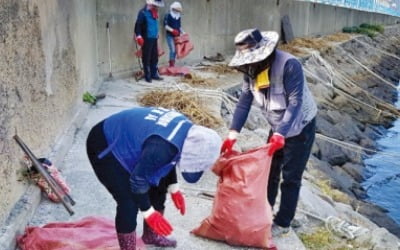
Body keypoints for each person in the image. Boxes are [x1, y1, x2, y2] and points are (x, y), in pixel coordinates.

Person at [221, 29, 318, 237]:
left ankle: (283, 223)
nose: (250, 65)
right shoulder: (250, 70)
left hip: (300, 126)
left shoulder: (289, 65)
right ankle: (263, 213)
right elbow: (245, 100)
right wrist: (232, 133)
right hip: (277, 127)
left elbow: (295, 102)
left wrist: (281, 133)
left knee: (291, 177)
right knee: (270, 172)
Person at [86, 107, 222, 250]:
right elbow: (138, 180)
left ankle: (150, 236)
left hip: (141, 141)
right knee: (128, 202)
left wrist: (173, 187)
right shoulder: (162, 146)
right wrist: (148, 212)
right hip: (105, 143)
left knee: (159, 188)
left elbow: (170, 158)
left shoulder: (187, 135)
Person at [134, 0, 165, 83]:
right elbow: (138, 25)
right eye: (155, 6)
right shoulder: (143, 13)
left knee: (154, 56)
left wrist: (157, 34)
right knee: (146, 57)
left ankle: (154, 73)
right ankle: (148, 75)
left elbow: (154, 24)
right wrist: (139, 36)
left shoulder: (154, 13)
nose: (157, 7)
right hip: (146, 38)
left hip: (154, 38)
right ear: (150, 4)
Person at [164, 1, 183, 67]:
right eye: (176, 9)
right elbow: (165, 26)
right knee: (172, 49)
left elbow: (179, 26)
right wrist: (172, 30)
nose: (177, 11)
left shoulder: (178, 16)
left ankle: (173, 63)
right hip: (169, 35)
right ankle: (171, 64)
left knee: (175, 50)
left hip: (177, 36)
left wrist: (183, 33)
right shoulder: (168, 15)